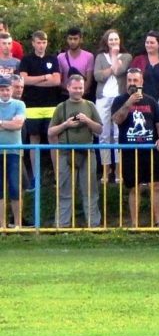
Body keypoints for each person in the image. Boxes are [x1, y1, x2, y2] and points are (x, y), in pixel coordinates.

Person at [111, 68, 159, 227]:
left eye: (135, 80)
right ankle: (135, 224)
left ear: (141, 82)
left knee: (156, 185)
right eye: (129, 80)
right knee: (134, 188)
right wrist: (128, 104)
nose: (132, 83)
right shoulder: (119, 100)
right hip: (130, 151)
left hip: (150, 150)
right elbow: (117, 120)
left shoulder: (151, 101)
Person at [48, 75, 102, 228]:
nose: (78, 90)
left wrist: (87, 121)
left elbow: (99, 129)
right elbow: (50, 132)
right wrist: (65, 125)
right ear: (68, 87)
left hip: (87, 153)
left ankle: (93, 225)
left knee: (90, 190)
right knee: (64, 190)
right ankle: (62, 225)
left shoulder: (90, 105)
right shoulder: (61, 107)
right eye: (75, 88)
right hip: (65, 154)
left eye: (80, 88)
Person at [19, 30, 61, 188]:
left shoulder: (52, 59)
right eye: (38, 42)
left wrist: (34, 82)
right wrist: (44, 77)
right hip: (32, 106)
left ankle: (58, 177)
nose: (41, 45)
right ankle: (36, 179)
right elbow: (24, 80)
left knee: (53, 139)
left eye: (44, 42)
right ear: (33, 43)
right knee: (34, 139)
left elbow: (56, 81)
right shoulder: (26, 60)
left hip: (51, 105)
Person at [94, 29, 132, 184]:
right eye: (111, 40)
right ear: (106, 41)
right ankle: (105, 169)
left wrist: (115, 56)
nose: (114, 42)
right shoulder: (100, 57)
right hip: (102, 98)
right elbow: (98, 76)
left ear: (120, 40)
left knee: (118, 135)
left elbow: (119, 71)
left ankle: (118, 170)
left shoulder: (126, 56)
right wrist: (111, 68)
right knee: (103, 135)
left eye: (116, 39)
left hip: (119, 98)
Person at [0, 76, 26, 228]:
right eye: (2, 90)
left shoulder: (19, 104)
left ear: (11, 90)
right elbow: (14, 124)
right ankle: (2, 225)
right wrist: (9, 123)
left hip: (14, 151)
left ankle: (17, 225)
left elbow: (18, 125)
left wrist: (1, 123)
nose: (5, 92)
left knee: (15, 187)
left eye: (7, 89)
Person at [57, 27, 94, 101]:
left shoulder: (89, 56)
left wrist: (79, 92)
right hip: (66, 96)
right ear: (67, 40)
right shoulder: (60, 57)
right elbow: (59, 80)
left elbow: (89, 81)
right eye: (70, 39)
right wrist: (72, 90)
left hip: (84, 96)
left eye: (75, 39)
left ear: (81, 39)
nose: (72, 41)